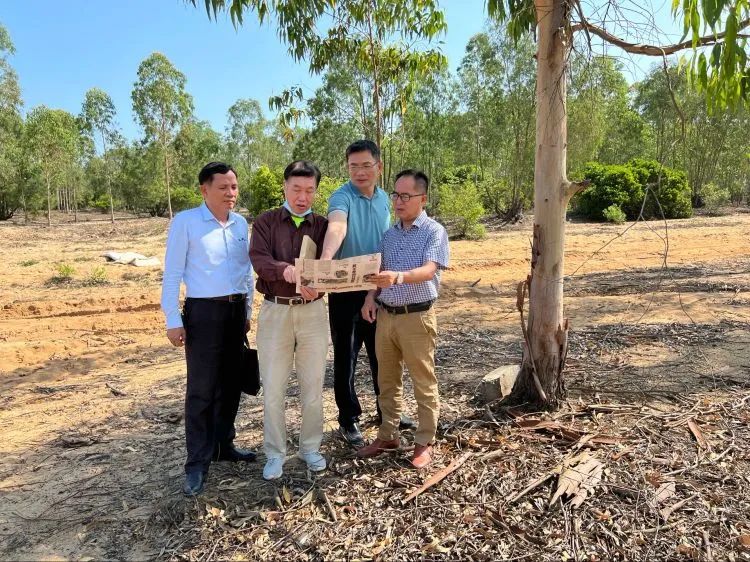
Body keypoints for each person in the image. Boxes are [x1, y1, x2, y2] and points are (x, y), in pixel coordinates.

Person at [161, 161, 256, 497]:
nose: (231, 193)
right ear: (204, 189)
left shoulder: (240, 223)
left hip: (235, 312)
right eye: (223, 187)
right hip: (203, 313)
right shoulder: (186, 222)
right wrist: (173, 319)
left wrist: (247, 310)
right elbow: (172, 274)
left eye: (234, 187)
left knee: (231, 384)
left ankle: (222, 445)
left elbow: (246, 271)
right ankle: (196, 463)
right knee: (201, 390)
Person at [320, 140, 415, 447]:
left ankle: (388, 412)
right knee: (346, 356)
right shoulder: (341, 196)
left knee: (382, 355)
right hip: (346, 290)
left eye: (365, 165)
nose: (359, 172)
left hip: (379, 287)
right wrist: (326, 258)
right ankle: (348, 419)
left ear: (379, 167)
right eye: (353, 166)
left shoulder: (385, 198)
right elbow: (337, 227)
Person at [358, 169, 449, 469]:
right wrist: (370, 298)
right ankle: (388, 435)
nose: (398, 201)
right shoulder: (389, 235)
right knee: (386, 381)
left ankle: (424, 441)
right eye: (396, 195)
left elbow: (429, 270)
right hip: (386, 316)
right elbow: (378, 274)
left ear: (423, 198)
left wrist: (398, 277)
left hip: (417, 317)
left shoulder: (434, 231)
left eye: (406, 196)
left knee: (423, 381)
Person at [250, 161, 329, 480]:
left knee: (313, 385)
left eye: (309, 190)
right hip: (276, 311)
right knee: (273, 386)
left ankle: (310, 448)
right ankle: (275, 453)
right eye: (296, 189)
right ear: (284, 187)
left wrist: (320, 283)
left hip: (313, 313)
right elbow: (259, 259)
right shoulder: (265, 222)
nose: (302, 196)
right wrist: (286, 271)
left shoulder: (322, 226)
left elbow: (332, 264)